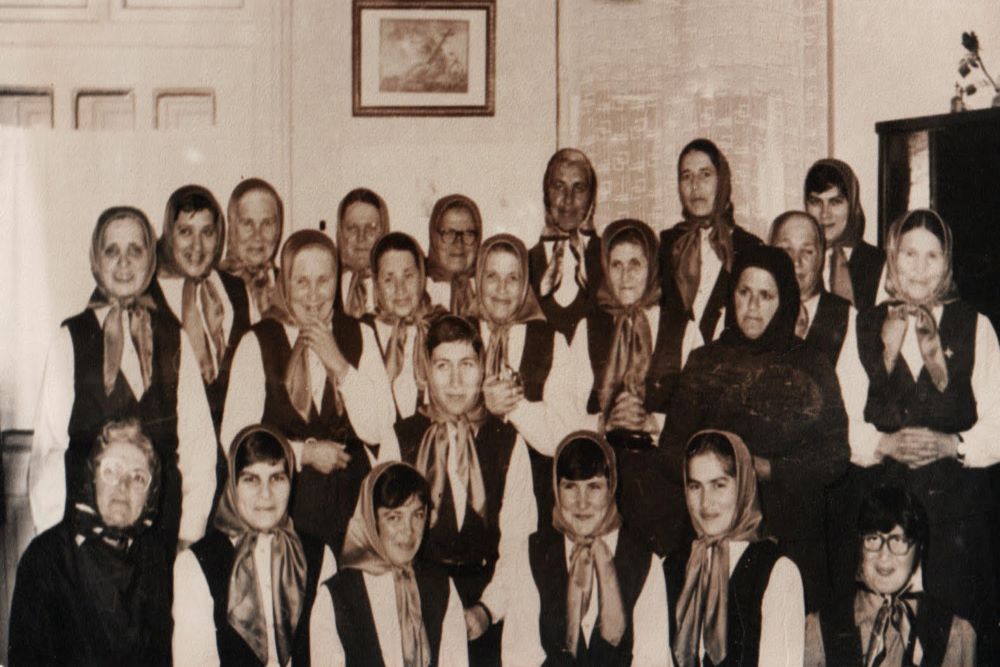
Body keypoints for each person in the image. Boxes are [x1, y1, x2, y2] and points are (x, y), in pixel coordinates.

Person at [661, 245, 849, 609]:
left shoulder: (812, 364)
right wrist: (715, 471)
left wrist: (767, 468)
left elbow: (835, 456)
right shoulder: (705, 362)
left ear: (785, 300)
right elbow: (670, 451)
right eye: (744, 293)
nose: (752, 306)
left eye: (766, 296)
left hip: (790, 532)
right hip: (715, 529)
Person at [845, 208, 1000, 644]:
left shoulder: (976, 326)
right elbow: (843, 420)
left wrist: (954, 444)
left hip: (954, 521)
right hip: (883, 520)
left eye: (932, 256)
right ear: (893, 257)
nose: (918, 267)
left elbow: (999, 422)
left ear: (947, 263)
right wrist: (883, 443)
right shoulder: (865, 325)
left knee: (949, 637)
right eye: (909, 253)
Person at [30, 206, 216, 554]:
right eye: (111, 251)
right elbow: (49, 451)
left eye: (136, 250)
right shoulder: (70, 338)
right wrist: (55, 541)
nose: (124, 263)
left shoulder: (173, 336)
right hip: (85, 537)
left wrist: (188, 535)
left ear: (151, 259)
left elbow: (198, 448)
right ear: (95, 261)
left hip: (162, 532)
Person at [221, 229, 397, 554]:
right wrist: (304, 453)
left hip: (352, 511)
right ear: (285, 282)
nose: (314, 294)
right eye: (301, 281)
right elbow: (235, 438)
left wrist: (339, 364)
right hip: (283, 508)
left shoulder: (360, 333)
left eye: (324, 280)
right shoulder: (256, 341)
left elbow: (379, 428)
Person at [394, 314, 537, 666]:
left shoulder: (507, 442)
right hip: (415, 603)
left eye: (467, 365)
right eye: (443, 366)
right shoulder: (399, 439)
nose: (456, 381)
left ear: (483, 368)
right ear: (426, 369)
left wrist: (487, 610)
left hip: (486, 606)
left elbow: (519, 541)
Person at [558, 218, 682, 555]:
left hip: (662, 480)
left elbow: (697, 410)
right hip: (602, 481)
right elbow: (565, 406)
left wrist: (652, 422)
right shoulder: (588, 327)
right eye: (616, 265)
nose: (625, 276)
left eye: (635, 264)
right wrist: (601, 423)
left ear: (652, 267)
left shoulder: (680, 327)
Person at [10, 419, 171, 666]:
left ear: (150, 494)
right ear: (92, 478)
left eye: (138, 478)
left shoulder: (154, 556)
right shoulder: (47, 558)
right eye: (111, 471)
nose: (123, 486)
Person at [501, 431, 671, 665]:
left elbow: (652, 659)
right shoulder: (532, 554)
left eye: (594, 487)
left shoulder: (643, 561)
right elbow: (520, 656)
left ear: (612, 487)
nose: (582, 502)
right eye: (570, 487)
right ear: (556, 489)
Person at [173, 425, 336, 666]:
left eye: (277, 478)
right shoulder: (196, 563)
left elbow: (330, 657)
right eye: (251, 479)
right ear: (233, 486)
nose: (266, 494)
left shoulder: (320, 556)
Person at [665, 430, 804, 667]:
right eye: (695, 487)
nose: (706, 503)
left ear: (744, 486)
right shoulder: (671, 566)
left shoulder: (778, 571)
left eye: (719, 485)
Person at [310, 461, 468, 667]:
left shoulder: (441, 587)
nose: (408, 530)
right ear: (371, 521)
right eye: (394, 517)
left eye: (418, 515)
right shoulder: (336, 596)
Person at [805, 485, 976, 666]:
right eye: (873, 539)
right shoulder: (819, 629)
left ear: (918, 549)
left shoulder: (954, 633)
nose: (884, 555)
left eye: (897, 540)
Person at [474, 233, 572, 523]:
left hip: (534, 492)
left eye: (513, 278)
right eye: (492, 276)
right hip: (469, 486)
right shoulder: (457, 334)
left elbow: (560, 436)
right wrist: (481, 404)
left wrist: (512, 404)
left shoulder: (551, 340)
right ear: (478, 280)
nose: (502, 289)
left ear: (525, 282)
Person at [152, 184, 251, 431]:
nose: (197, 246)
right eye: (185, 232)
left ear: (219, 236)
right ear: (168, 233)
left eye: (207, 232)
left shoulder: (235, 289)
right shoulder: (147, 294)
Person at [658, 138, 762, 357]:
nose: (695, 185)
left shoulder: (750, 248)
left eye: (705, 174)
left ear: (722, 180)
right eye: (686, 176)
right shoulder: (667, 245)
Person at [366, 231, 446, 421]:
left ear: (422, 277)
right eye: (388, 279)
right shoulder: (363, 331)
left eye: (408, 276)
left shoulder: (444, 325)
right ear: (376, 285)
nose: (400, 289)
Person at [527, 148, 603, 341]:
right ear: (546, 194)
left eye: (579, 188)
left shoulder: (611, 260)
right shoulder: (524, 264)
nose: (568, 199)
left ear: (592, 197)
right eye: (559, 186)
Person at [769, 210, 855, 366]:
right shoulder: (749, 310)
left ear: (821, 258)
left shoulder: (847, 317)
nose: (796, 261)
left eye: (807, 251)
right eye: (786, 250)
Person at [804, 158, 886, 309]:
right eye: (816, 202)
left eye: (835, 202)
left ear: (852, 204)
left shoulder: (880, 263)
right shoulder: (797, 260)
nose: (824, 214)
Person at [220, 177, 284, 324]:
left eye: (267, 223)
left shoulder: (291, 286)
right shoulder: (213, 287)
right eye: (247, 223)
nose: (257, 236)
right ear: (231, 227)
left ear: (278, 228)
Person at [335, 188, 389, 318]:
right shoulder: (323, 285)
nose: (361, 237)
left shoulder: (399, 284)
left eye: (371, 228)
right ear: (340, 233)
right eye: (352, 228)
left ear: (383, 233)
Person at [425, 194, 481, 317]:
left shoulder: (491, 290)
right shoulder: (418, 289)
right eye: (449, 233)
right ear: (434, 237)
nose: (458, 244)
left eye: (468, 234)